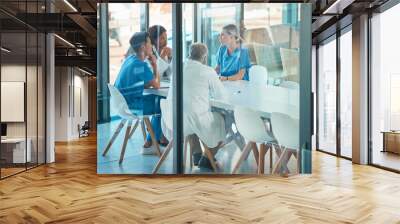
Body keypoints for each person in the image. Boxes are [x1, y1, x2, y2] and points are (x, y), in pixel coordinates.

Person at [114, 31, 168, 153]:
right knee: (164, 104)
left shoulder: (130, 59)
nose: (152, 46)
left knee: (159, 101)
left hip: (122, 104)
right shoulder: (140, 65)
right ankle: (151, 143)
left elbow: (144, 82)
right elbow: (157, 85)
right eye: (150, 43)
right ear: (143, 46)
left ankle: (153, 140)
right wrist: (155, 65)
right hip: (132, 106)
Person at [182, 43, 227, 170]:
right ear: (205, 57)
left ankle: (196, 153)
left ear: (189, 54)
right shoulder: (207, 71)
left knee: (190, 115)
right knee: (223, 118)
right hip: (197, 118)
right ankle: (207, 157)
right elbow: (221, 95)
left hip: (179, 119)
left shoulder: (180, 68)